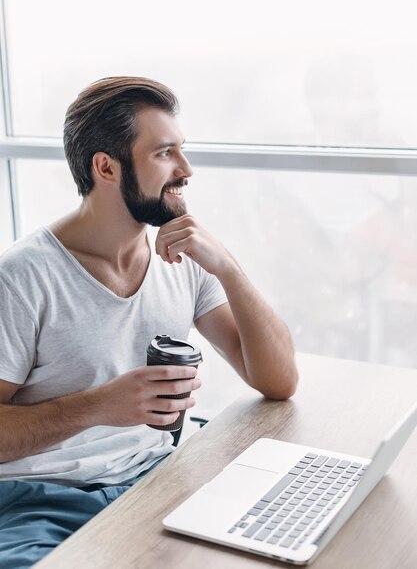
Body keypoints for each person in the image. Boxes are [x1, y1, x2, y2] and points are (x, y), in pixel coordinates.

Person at [0, 76, 297, 567]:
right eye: (165, 154)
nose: (186, 169)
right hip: (40, 501)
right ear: (106, 167)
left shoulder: (184, 258)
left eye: (182, 150)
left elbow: (279, 379)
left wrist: (227, 266)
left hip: (156, 478)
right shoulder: (23, 279)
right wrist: (98, 406)